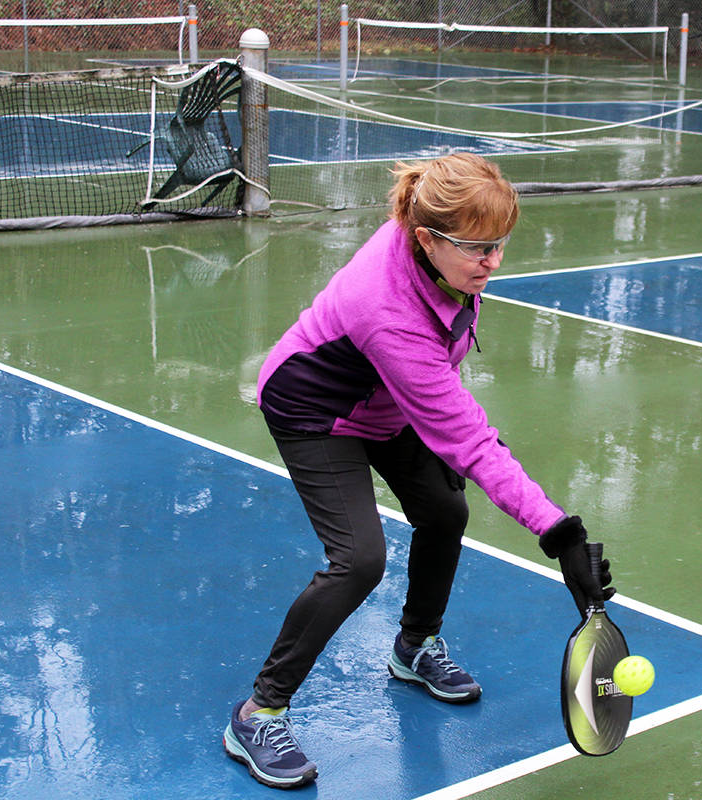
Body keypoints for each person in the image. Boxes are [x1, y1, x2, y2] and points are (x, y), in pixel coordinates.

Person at [222, 152, 615, 789]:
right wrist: (559, 532)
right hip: (316, 409)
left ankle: (414, 648)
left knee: (445, 510)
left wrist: (447, 441)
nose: (493, 262)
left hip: (387, 402)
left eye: (500, 244)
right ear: (426, 238)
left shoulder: (439, 249)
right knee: (358, 560)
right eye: (478, 248)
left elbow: (443, 392)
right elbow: (466, 434)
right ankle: (259, 711)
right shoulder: (389, 310)